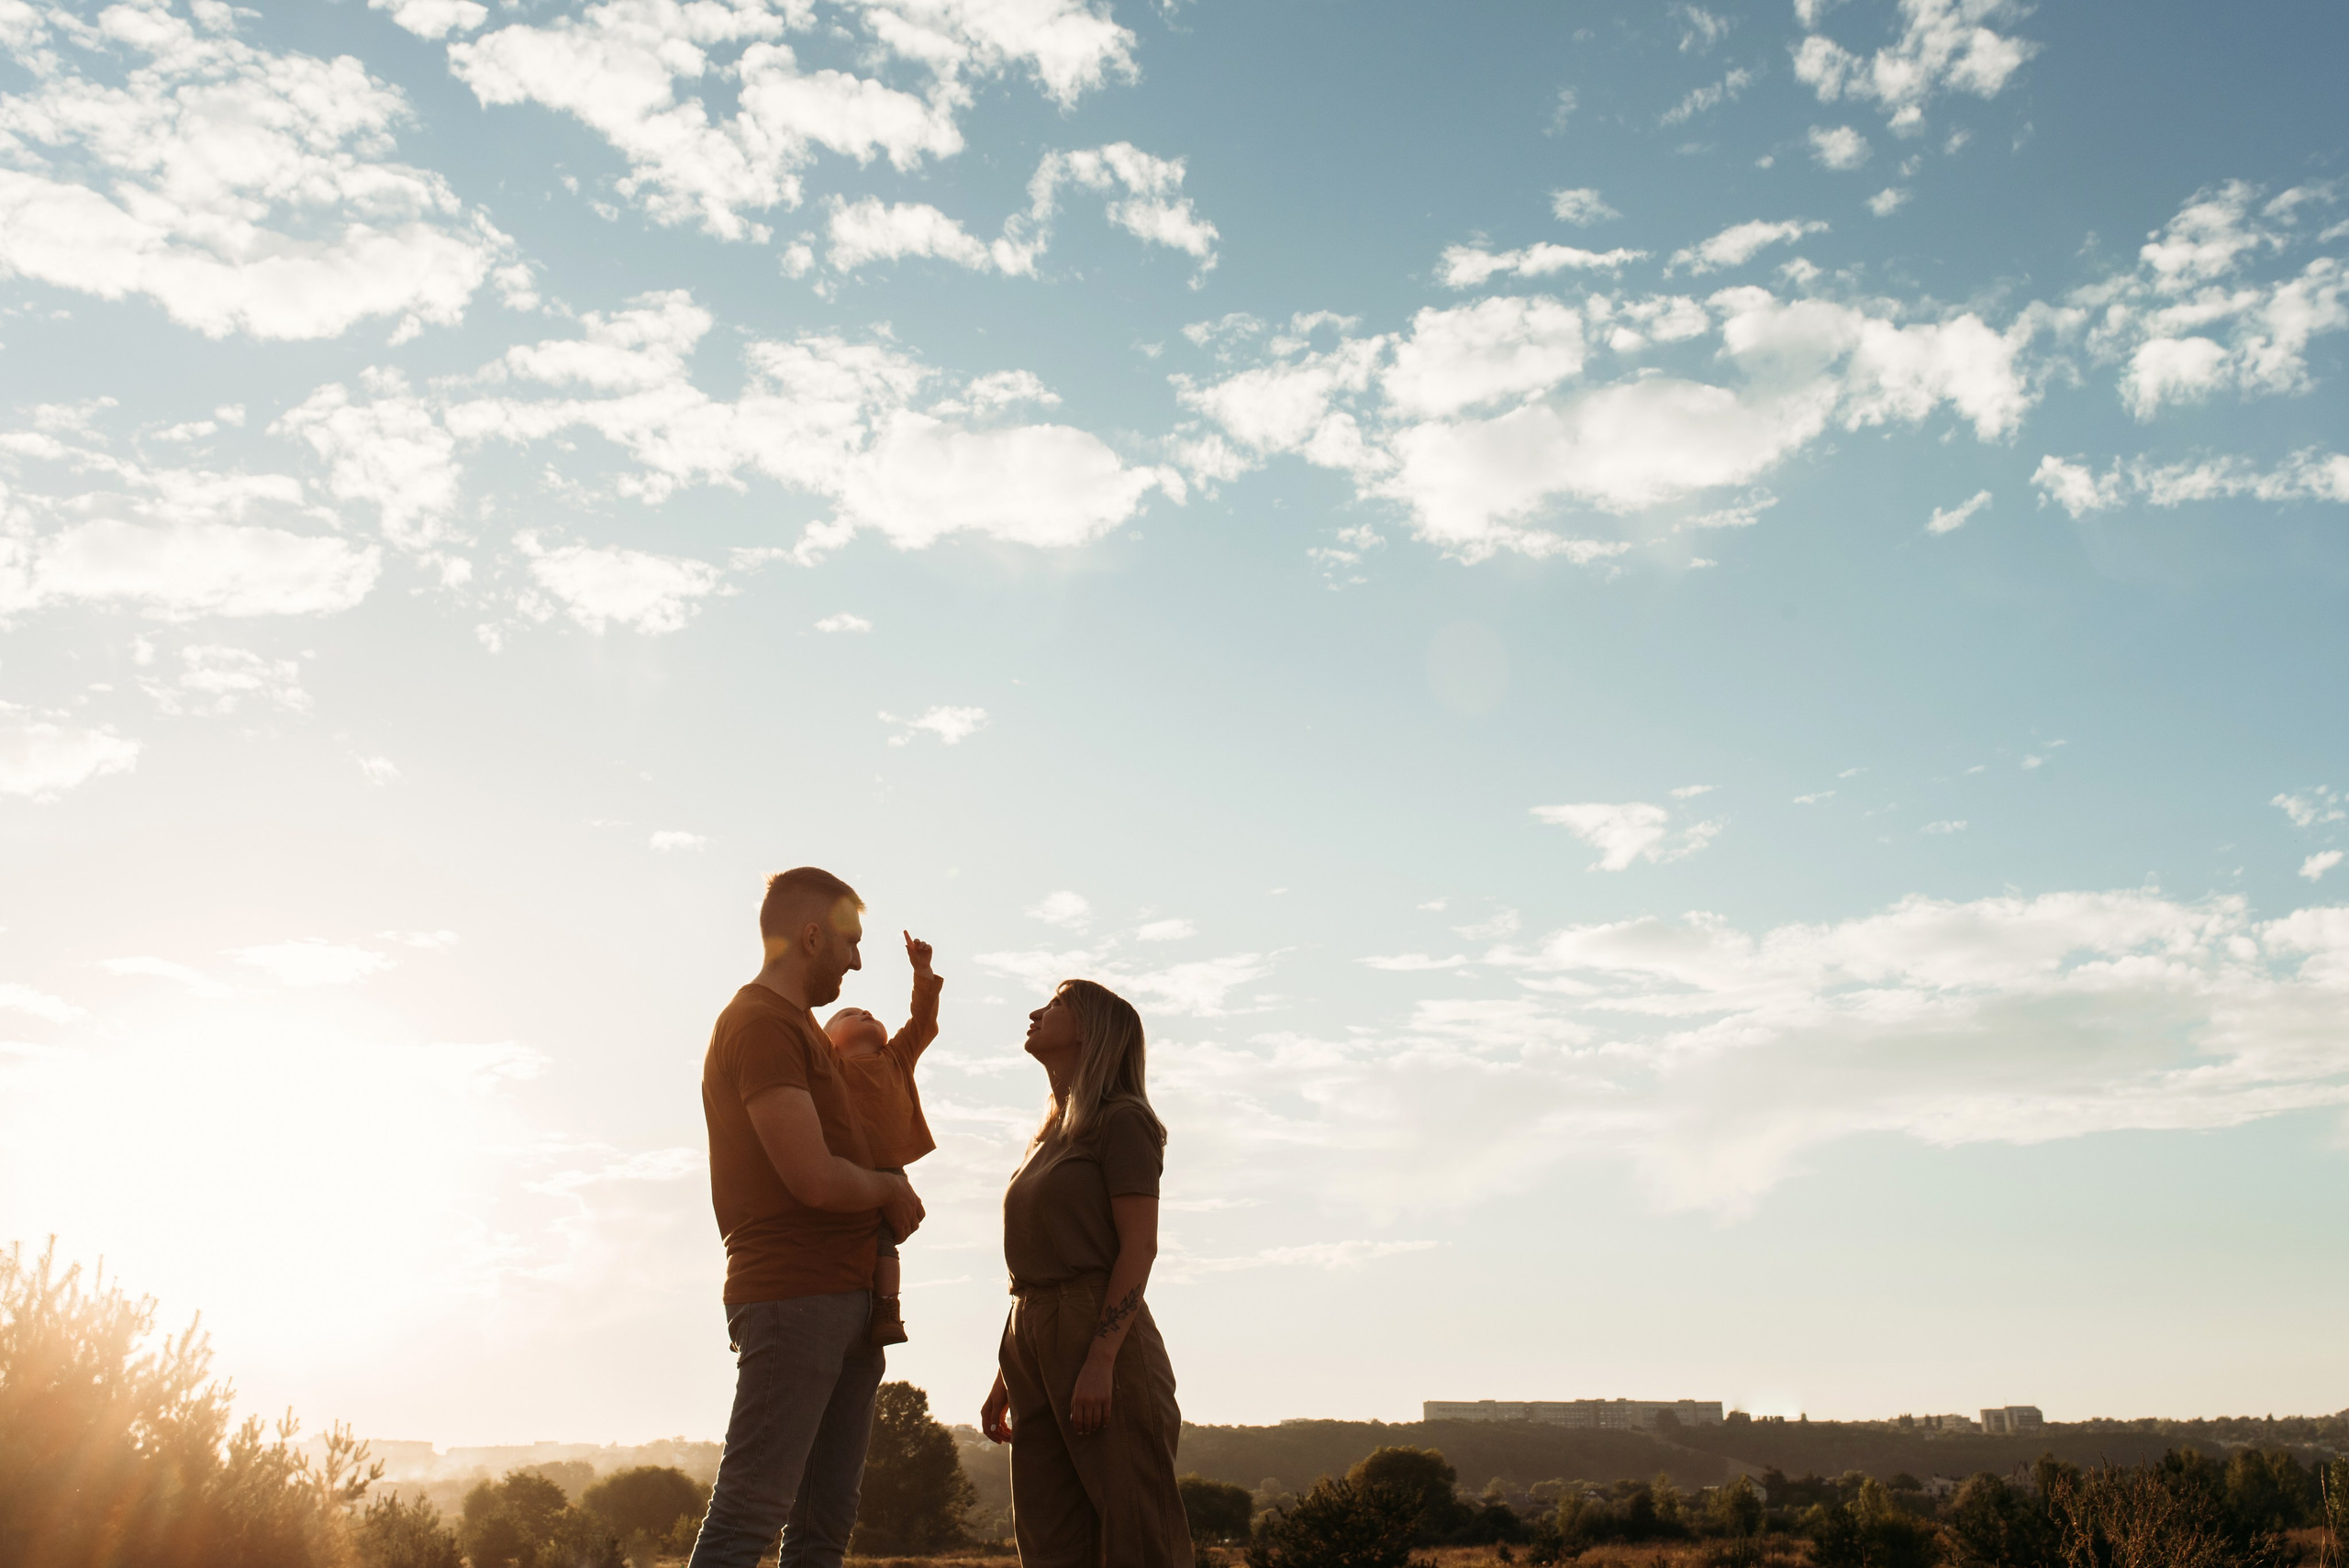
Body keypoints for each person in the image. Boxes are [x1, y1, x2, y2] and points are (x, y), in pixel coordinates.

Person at [688, 866, 925, 1568]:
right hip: (796, 1297)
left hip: (848, 1300)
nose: (857, 961)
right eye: (851, 943)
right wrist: (886, 1191)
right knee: (748, 1516)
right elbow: (812, 1177)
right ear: (813, 936)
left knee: (823, 1528)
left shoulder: (801, 1030)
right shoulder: (761, 1024)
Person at [978, 980, 1194, 1568]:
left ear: (1091, 1031)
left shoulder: (1122, 1121)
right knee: (1048, 1539)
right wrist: (1006, 1372)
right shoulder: (1048, 1135)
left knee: (1138, 1535)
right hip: (1029, 1329)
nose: (1036, 1011)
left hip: (1096, 1326)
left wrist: (1101, 1360)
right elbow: (1036, 1255)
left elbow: (1139, 1247)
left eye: (1055, 1004)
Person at [821, 929, 944, 1347]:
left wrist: (922, 971)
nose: (865, 1012)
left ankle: (888, 1308)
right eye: (849, 1013)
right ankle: (854, 1299)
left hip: (890, 1171)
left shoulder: (897, 1057)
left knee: (884, 1242)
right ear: (828, 1039)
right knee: (857, 1237)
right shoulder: (830, 1066)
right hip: (847, 1168)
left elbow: (923, 1022)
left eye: (868, 1011)